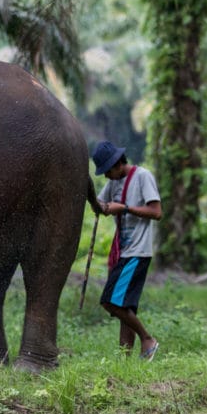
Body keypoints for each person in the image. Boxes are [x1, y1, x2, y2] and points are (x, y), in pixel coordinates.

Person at [92, 140, 163, 360]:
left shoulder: (142, 176)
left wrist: (124, 208)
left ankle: (147, 339)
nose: (106, 177)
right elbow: (101, 203)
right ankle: (125, 361)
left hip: (137, 251)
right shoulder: (114, 182)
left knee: (110, 301)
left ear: (117, 164)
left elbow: (156, 211)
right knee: (125, 306)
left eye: (107, 171)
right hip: (123, 250)